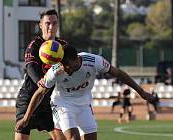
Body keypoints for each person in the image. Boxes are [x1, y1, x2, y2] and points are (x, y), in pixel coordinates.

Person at [15, 46, 156, 140]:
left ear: (77, 59)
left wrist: (141, 92)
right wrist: (26, 118)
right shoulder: (56, 70)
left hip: (84, 104)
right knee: (73, 138)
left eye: (68, 66)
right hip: (62, 104)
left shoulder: (94, 61)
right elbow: (39, 93)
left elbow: (118, 73)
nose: (66, 70)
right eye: (63, 66)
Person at [14, 9, 67, 140]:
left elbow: (72, 65)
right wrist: (40, 81)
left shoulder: (63, 46)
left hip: (49, 101)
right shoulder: (34, 45)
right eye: (47, 23)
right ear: (41, 25)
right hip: (29, 98)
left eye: (54, 23)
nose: (51, 26)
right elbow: (30, 67)